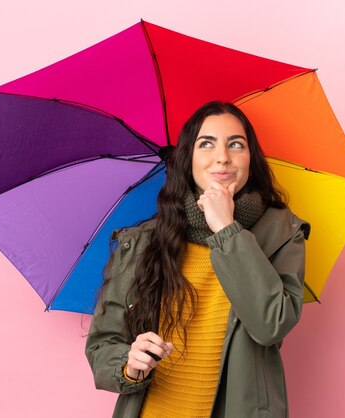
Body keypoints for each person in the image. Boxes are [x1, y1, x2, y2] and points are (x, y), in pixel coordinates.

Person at [85, 101, 309, 418]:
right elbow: (102, 346)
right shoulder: (142, 241)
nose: (223, 157)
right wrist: (129, 364)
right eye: (207, 144)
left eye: (236, 144)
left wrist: (226, 229)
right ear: (187, 159)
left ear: (250, 158)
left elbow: (272, 324)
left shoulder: (283, 234)